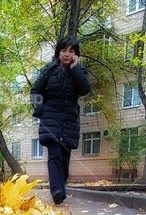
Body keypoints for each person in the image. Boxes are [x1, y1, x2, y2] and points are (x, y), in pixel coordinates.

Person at [30, 36, 91, 205]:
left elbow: (85, 89)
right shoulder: (49, 70)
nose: (67, 54)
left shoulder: (79, 71)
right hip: (50, 120)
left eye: (71, 51)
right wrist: (40, 109)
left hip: (69, 121)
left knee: (64, 159)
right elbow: (35, 91)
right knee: (55, 155)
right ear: (58, 53)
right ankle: (57, 191)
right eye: (64, 50)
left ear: (76, 55)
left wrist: (75, 69)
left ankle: (60, 186)